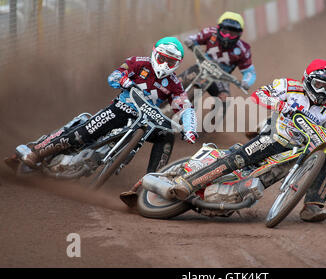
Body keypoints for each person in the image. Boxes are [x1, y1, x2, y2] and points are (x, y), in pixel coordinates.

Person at [168, 59, 326, 222]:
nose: (322, 91)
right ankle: (189, 182)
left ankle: (313, 206)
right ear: (307, 80)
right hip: (276, 134)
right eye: (319, 85)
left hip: (297, 151)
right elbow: (258, 96)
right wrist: (280, 105)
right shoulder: (289, 86)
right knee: (240, 158)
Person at [16, 37, 198, 178]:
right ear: (154, 53)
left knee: (167, 136)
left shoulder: (174, 83)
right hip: (121, 109)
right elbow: (113, 77)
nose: (165, 65)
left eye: (171, 62)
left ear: (178, 64)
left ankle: (151, 183)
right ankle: (38, 153)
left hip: (147, 123)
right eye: (162, 58)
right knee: (84, 133)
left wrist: (190, 129)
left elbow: (185, 107)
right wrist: (124, 80)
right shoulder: (138, 63)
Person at [180, 11, 257, 111]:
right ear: (218, 28)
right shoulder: (210, 33)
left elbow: (249, 72)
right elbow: (193, 38)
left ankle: (208, 126)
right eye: (225, 31)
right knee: (177, 82)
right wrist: (190, 42)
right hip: (201, 68)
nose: (228, 36)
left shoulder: (243, 49)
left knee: (225, 100)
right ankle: (156, 102)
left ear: (239, 33)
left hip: (221, 78)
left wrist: (246, 82)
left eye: (233, 32)